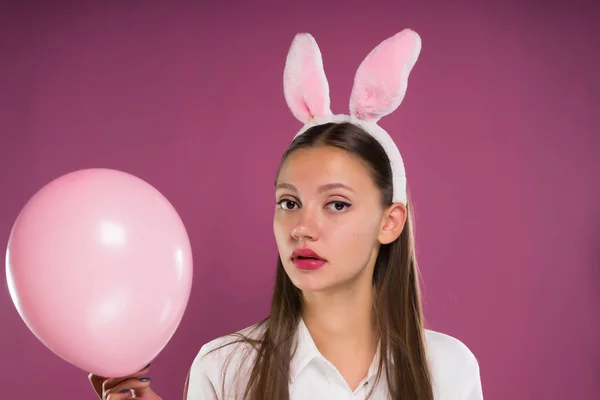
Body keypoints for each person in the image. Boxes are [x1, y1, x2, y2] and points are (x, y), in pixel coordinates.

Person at [89, 28, 484, 400]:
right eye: (289, 203)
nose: (302, 229)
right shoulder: (224, 367)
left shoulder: (449, 370)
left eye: (337, 204)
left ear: (390, 222)